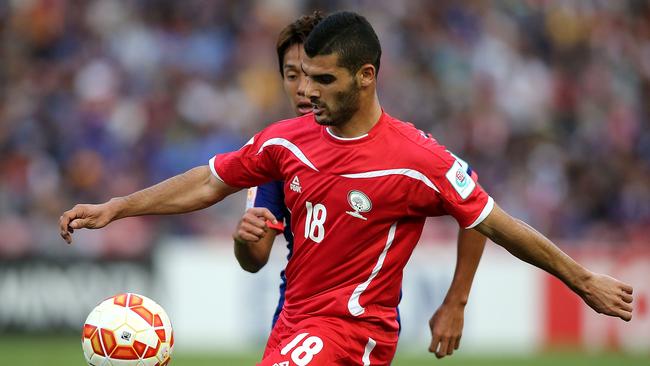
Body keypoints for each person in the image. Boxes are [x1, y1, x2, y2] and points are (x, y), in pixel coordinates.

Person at [60, 11, 634, 366]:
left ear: (366, 77)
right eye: (303, 76)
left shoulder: (416, 160)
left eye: (324, 80)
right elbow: (210, 182)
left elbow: (488, 219)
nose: (308, 91)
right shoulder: (288, 141)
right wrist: (117, 207)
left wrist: (577, 280)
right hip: (293, 324)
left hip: (352, 332)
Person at [232, 11, 488, 359]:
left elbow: (477, 207)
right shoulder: (279, 150)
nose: (304, 90)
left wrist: (456, 300)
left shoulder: (396, 149)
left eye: (316, 76)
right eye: (293, 75)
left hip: (357, 321)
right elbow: (254, 258)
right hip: (295, 313)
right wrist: (244, 236)